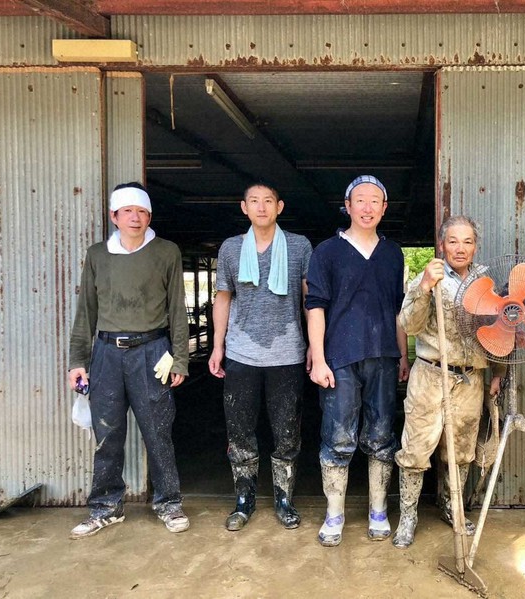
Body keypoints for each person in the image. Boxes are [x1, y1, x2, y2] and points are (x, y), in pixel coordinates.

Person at [67, 182, 189, 538]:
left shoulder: (166, 252)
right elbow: (85, 313)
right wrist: (78, 361)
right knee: (107, 434)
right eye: (127, 212)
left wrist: (180, 358)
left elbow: (177, 310)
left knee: (158, 431)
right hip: (106, 353)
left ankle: (169, 503)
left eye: (142, 212)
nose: (135, 218)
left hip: (152, 350)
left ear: (149, 216)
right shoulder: (97, 255)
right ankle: (106, 507)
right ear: (114, 217)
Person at [306, 175, 410, 547]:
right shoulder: (327, 252)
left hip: (383, 356)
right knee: (337, 436)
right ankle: (334, 513)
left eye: (375, 201)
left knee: (382, 435)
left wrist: (403, 353)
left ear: (384, 208)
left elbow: (399, 309)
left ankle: (378, 510)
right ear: (347, 206)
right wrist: (318, 359)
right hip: (340, 358)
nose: (367, 207)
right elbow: (315, 307)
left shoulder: (393, 252)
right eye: (360, 200)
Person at [392, 215, 502, 549]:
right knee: (416, 448)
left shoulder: (485, 283)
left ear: (475, 246)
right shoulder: (429, 276)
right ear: (442, 244)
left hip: (470, 378)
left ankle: (451, 507)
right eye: (453, 241)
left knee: (462, 450)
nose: (460, 248)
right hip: (430, 374)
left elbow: (496, 334)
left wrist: (498, 372)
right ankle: (408, 516)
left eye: (467, 241)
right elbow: (408, 325)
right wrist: (424, 288)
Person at [208, 183, 312, 532]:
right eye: (254, 201)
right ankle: (244, 498)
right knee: (239, 430)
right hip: (242, 353)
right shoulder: (231, 249)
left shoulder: (299, 246)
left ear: (279, 206)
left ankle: (284, 499)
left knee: (286, 431)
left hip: (287, 353)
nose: (262, 207)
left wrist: (315, 346)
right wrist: (218, 346)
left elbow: (309, 301)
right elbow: (223, 298)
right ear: (244, 207)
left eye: (268, 201)